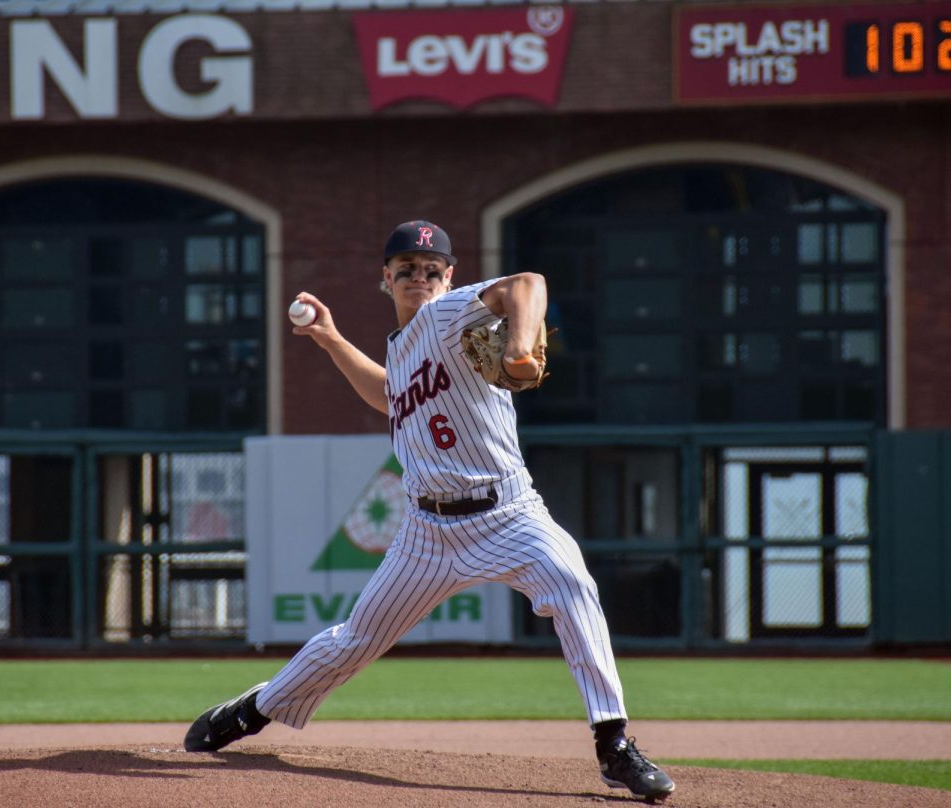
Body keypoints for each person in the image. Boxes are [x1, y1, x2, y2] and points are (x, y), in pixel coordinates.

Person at [184, 220, 675, 802]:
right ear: (385, 279)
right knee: (355, 640)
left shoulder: (451, 314)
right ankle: (256, 708)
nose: (419, 277)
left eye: (431, 270)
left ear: (449, 278)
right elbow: (390, 395)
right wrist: (331, 340)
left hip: (508, 512)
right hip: (426, 531)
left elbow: (528, 282)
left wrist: (518, 345)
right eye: (406, 269)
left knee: (572, 584)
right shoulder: (404, 344)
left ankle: (613, 744)